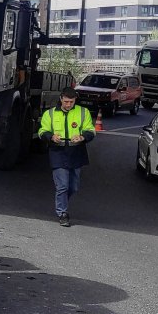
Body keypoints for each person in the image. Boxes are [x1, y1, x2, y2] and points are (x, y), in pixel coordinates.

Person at [36, 87, 96, 227]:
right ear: (61, 99)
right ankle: (62, 213)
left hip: (76, 151)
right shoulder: (49, 114)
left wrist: (82, 137)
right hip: (58, 151)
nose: (69, 104)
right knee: (62, 185)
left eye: (72, 102)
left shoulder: (83, 112)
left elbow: (91, 130)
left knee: (73, 187)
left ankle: (61, 202)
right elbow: (41, 131)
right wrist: (51, 137)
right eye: (66, 101)